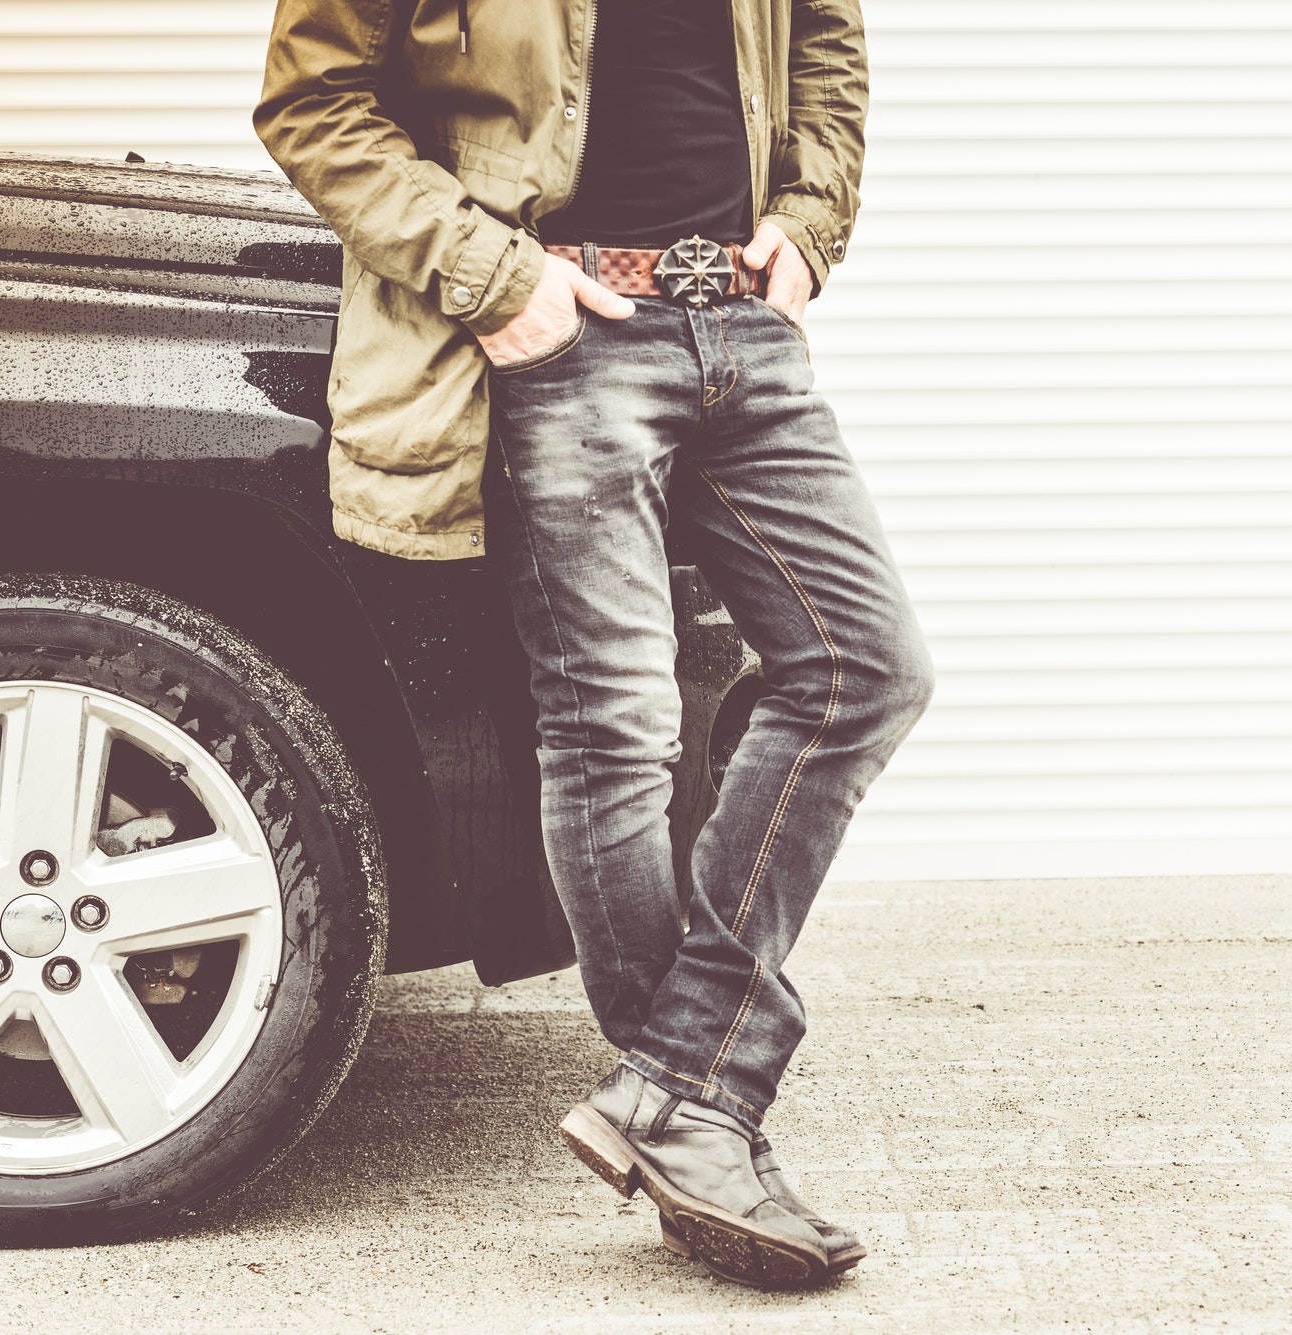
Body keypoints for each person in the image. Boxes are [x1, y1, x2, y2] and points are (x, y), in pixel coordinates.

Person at [255, 0, 931, 1289]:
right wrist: (498, 279)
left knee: (866, 669)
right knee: (616, 726)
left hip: (741, 320)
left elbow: (827, 46)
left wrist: (809, 221)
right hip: (566, 329)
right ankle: (696, 1122)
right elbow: (313, 103)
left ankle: (677, 1088)